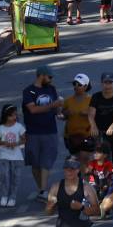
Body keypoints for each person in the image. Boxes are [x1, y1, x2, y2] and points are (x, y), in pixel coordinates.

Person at [23, 66, 64, 202]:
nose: (51, 80)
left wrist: (59, 111)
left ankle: (43, 190)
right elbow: (33, 110)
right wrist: (53, 106)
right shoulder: (28, 91)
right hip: (33, 132)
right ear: (41, 76)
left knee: (46, 162)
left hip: (50, 130)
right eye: (49, 77)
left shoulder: (51, 89)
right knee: (35, 163)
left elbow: (56, 108)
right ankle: (42, 189)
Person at [88, 72, 113, 162]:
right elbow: (91, 114)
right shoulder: (96, 96)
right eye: (105, 83)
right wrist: (93, 126)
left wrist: (112, 126)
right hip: (102, 133)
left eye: (110, 82)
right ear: (101, 84)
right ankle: (106, 176)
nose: (107, 85)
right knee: (103, 158)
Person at [0, 104, 26, 208]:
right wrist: (5, 143)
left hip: (17, 157)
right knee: (5, 175)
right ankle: (4, 195)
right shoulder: (1, 128)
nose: (14, 117)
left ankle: (12, 197)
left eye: (15, 115)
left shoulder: (19, 127)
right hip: (5, 156)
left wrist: (16, 143)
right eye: (11, 115)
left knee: (15, 177)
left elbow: (24, 139)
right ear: (6, 116)